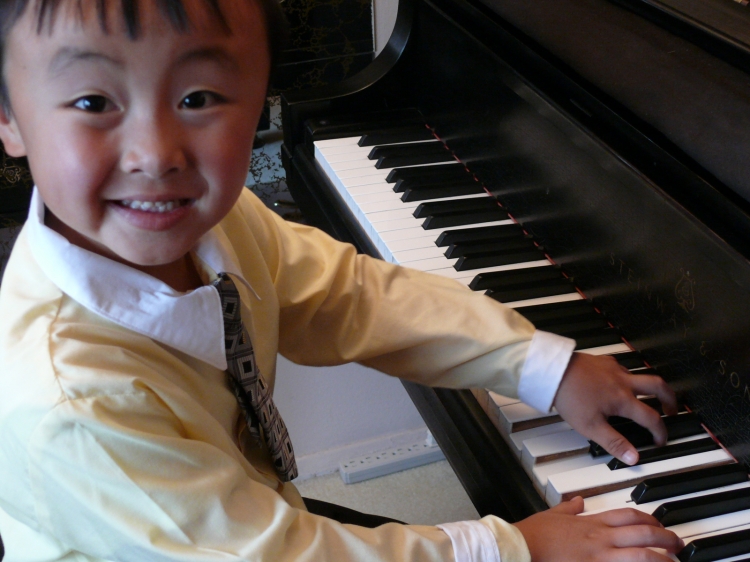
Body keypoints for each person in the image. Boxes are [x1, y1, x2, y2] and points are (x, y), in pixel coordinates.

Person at [0, 0, 685, 560]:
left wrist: (540, 366)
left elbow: (346, 296)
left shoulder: (221, 222)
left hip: (229, 514)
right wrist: (509, 550)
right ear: (8, 118)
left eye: (198, 96)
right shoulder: (71, 404)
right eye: (92, 102)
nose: (156, 155)